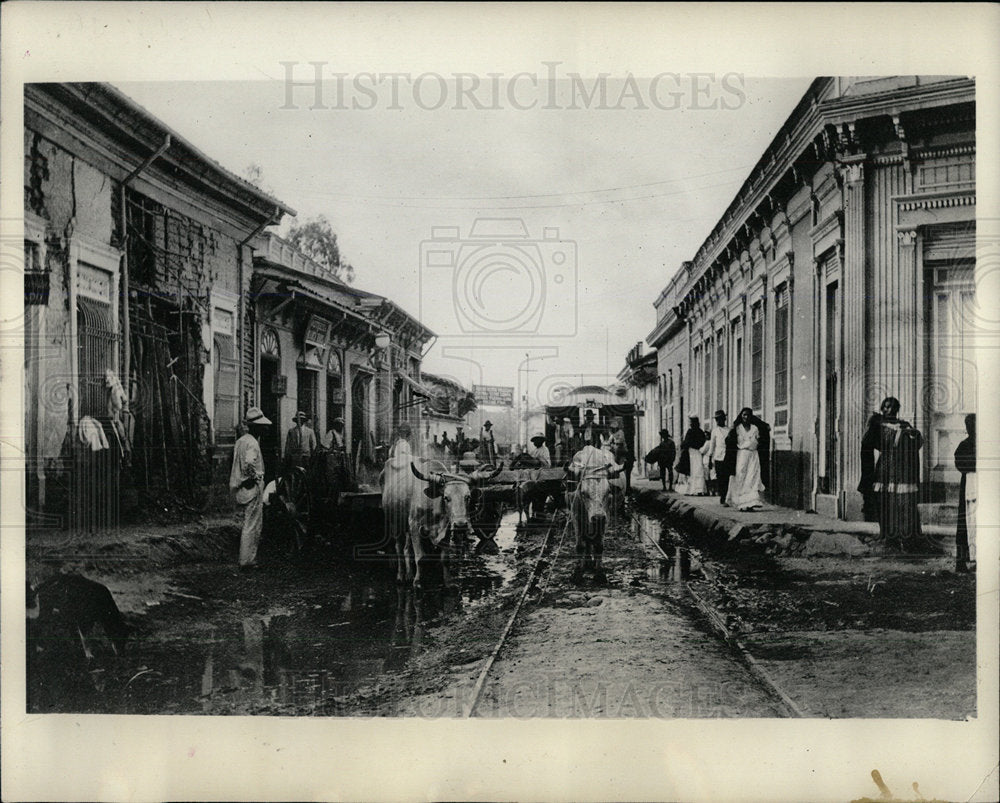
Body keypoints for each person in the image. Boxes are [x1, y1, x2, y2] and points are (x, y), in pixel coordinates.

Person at [861, 396, 924, 551]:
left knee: (904, 504)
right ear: (882, 408)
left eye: (893, 407)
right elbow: (867, 443)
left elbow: (918, 443)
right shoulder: (877, 424)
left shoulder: (904, 424)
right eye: (887, 406)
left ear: (897, 409)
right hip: (885, 469)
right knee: (885, 503)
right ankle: (889, 538)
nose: (890, 409)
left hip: (903, 471)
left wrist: (912, 435)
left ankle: (907, 539)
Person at [230, 407, 271, 569]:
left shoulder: (241, 441)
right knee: (252, 524)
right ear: (256, 427)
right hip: (251, 486)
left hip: (240, 486)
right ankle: (247, 560)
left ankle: (246, 558)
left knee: (248, 522)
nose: (265, 429)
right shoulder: (253, 443)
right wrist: (254, 477)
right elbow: (248, 463)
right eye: (262, 426)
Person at [725, 407, 765, 511]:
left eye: (748, 415)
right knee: (741, 475)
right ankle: (741, 502)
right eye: (744, 415)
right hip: (742, 455)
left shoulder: (755, 428)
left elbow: (757, 441)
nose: (746, 417)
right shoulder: (737, 429)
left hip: (753, 455)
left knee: (752, 477)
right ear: (741, 416)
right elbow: (731, 442)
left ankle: (751, 503)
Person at [954, 413, 976, 572]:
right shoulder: (965, 445)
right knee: (964, 524)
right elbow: (960, 463)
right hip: (969, 486)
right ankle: (961, 561)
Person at [858, 412, 882, 522]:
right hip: (870, 473)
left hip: (867, 473)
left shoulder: (867, 436)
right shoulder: (870, 437)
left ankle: (868, 512)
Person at [707, 411, 731, 505]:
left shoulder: (729, 430)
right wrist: (710, 459)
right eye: (716, 419)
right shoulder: (715, 431)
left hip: (728, 456)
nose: (718, 421)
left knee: (727, 477)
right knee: (720, 477)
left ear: (724, 419)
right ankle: (722, 495)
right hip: (718, 457)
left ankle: (726, 497)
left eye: (720, 418)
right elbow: (712, 445)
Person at [604, 417, 634, 492]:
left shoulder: (620, 432)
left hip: (621, 451)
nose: (612, 430)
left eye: (613, 428)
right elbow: (608, 442)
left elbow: (620, 441)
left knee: (617, 453)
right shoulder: (613, 434)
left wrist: (613, 443)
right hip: (615, 451)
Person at [680, 416, 707, 495]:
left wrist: (685, 445)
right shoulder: (700, 432)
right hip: (696, 452)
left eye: (691, 423)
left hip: (693, 452)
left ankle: (695, 489)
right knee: (697, 470)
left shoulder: (691, 432)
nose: (691, 424)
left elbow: (686, 442)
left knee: (694, 470)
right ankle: (698, 489)